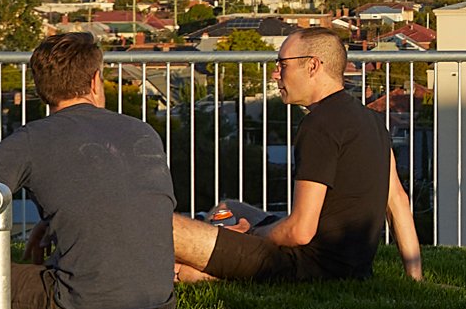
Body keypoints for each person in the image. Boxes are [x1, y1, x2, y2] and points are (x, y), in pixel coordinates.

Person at [172, 27, 421, 283]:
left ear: (312, 66)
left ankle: (194, 272)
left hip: (304, 267)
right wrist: (415, 279)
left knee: (171, 228)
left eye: (282, 65)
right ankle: (205, 266)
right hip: (351, 269)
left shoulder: (320, 125)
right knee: (229, 207)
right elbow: (398, 201)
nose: (275, 74)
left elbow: (300, 231)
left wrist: (250, 234)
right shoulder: (372, 120)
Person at [0, 28, 176, 309]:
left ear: (41, 87)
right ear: (95, 81)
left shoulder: (29, 140)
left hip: (78, 308)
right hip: (159, 303)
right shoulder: (142, 131)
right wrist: (49, 225)